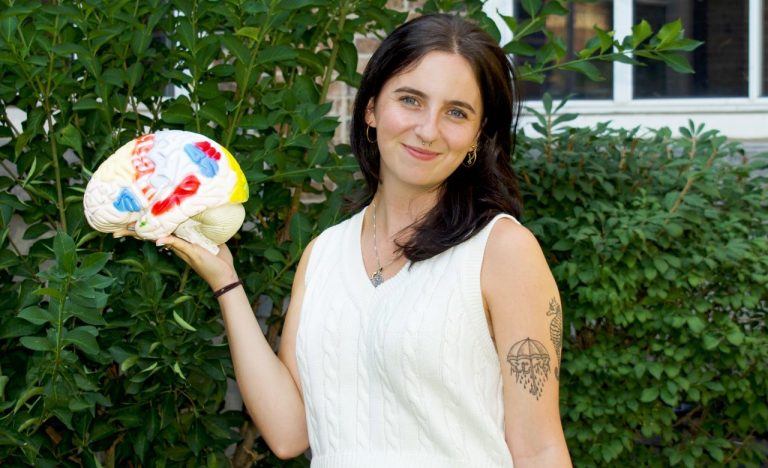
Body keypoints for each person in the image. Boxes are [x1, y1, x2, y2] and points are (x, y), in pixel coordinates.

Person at [118, 13, 571, 468]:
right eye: (411, 100)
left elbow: (540, 449)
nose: (429, 129)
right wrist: (226, 280)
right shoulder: (324, 254)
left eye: (456, 112)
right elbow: (289, 431)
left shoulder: (501, 251)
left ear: (477, 134)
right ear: (371, 108)